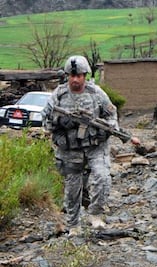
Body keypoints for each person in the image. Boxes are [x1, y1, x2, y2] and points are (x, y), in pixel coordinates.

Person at [42, 55, 140, 237]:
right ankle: (73, 225)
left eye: (79, 75)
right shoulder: (59, 95)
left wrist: (109, 128)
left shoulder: (97, 93)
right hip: (70, 149)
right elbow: (46, 119)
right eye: (72, 75)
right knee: (72, 188)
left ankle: (96, 213)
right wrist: (62, 123)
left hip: (96, 146)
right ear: (67, 76)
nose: (75, 79)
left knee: (102, 177)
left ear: (85, 75)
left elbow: (111, 115)